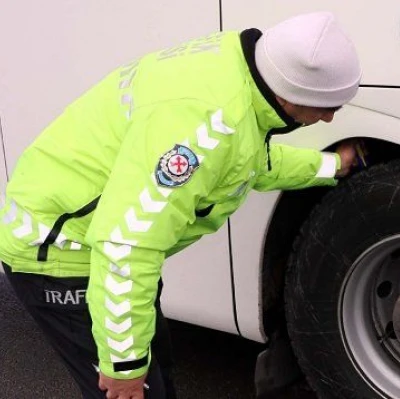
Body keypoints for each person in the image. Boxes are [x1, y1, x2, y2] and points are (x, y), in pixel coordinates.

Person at [0, 11, 361, 399]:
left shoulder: (239, 73)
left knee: (155, 372)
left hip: (94, 236)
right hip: (62, 253)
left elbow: (246, 160)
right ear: (288, 95)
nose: (327, 119)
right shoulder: (206, 126)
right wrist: (123, 367)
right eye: (326, 107)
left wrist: (331, 166)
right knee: (133, 387)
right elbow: (126, 247)